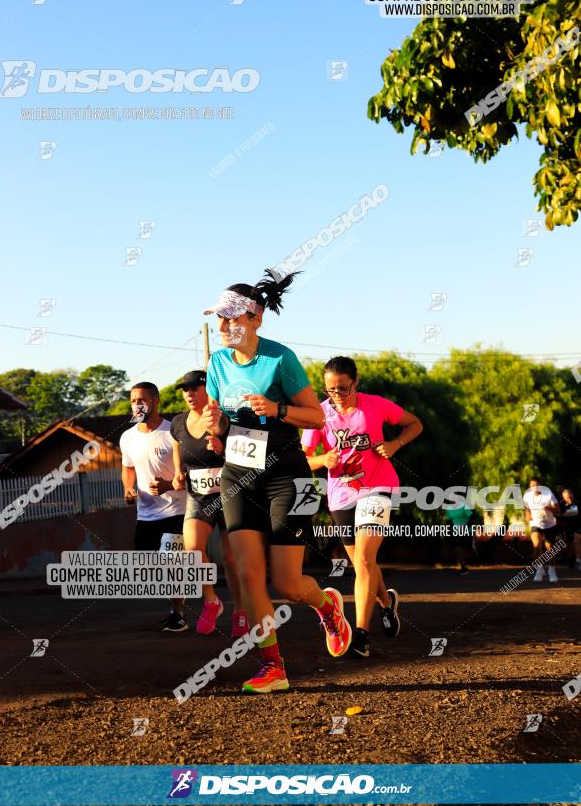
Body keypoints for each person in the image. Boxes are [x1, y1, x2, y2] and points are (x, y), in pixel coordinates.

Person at [202, 269, 352, 694]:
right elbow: (215, 418)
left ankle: (326, 605)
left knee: (286, 582)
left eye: (233, 318)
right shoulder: (217, 362)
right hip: (238, 475)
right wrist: (213, 428)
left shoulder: (279, 358)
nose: (225, 326)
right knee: (249, 577)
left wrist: (275, 409)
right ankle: (273, 667)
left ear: (256, 318)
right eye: (220, 320)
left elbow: (316, 416)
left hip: (288, 476)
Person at [302, 356, 423, 658]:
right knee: (361, 565)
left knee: (366, 560)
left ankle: (361, 634)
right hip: (341, 494)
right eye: (330, 390)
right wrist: (322, 460)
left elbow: (414, 424)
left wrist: (395, 444)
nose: (337, 396)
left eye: (343, 389)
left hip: (377, 487)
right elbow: (302, 457)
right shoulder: (318, 414)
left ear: (355, 382)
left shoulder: (376, 404)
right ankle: (386, 603)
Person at [170, 370, 248, 637]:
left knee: (230, 557)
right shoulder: (178, 422)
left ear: (208, 389)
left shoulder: (223, 418)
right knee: (192, 550)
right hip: (198, 496)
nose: (189, 393)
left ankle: (239, 611)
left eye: (195, 387)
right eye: (185, 389)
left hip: (229, 493)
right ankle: (212, 601)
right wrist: (179, 471)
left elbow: (246, 453)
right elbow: (176, 447)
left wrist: (223, 449)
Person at [119, 382, 188, 631]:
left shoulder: (174, 433)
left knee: (172, 563)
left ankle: (177, 614)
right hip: (146, 513)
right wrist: (128, 488)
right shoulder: (127, 437)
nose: (137, 404)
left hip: (176, 510)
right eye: (134, 400)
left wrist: (169, 484)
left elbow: (188, 473)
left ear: (156, 401)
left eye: (142, 400)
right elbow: (127, 467)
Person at [522, 477, 561, 583]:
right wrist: (527, 514)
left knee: (550, 549)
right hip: (536, 523)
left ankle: (551, 570)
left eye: (536, 486)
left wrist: (548, 508)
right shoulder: (527, 495)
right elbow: (526, 506)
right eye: (532, 486)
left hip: (550, 524)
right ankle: (540, 569)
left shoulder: (548, 494)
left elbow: (558, 509)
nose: (534, 488)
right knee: (537, 544)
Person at [557, 487, 581, 570]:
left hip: (579, 525)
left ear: (572, 495)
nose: (569, 498)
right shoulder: (561, 504)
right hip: (568, 527)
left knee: (576, 540)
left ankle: (578, 561)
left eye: (570, 496)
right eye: (567, 497)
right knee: (570, 545)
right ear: (563, 497)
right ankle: (572, 560)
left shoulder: (578, 501)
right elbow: (559, 517)